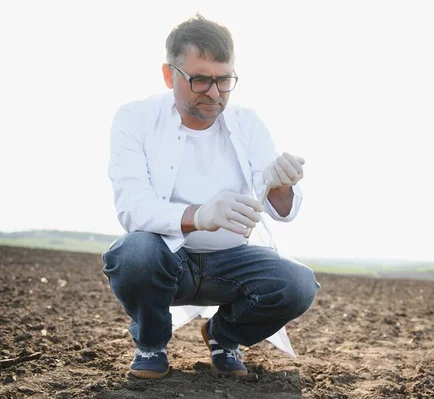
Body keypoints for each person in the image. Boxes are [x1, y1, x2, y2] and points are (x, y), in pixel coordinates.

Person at [102, 13, 320, 380]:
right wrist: (200, 214)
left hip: (231, 262)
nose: (215, 93)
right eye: (201, 80)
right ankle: (152, 343)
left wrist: (282, 182)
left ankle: (223, 336)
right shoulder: (135, 118)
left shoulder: (248, 122)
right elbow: (132, 208)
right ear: (170, 75)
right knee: (135, 252)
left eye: (224, 80)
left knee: (297, 284)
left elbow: (276, 205)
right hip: (167, 260)